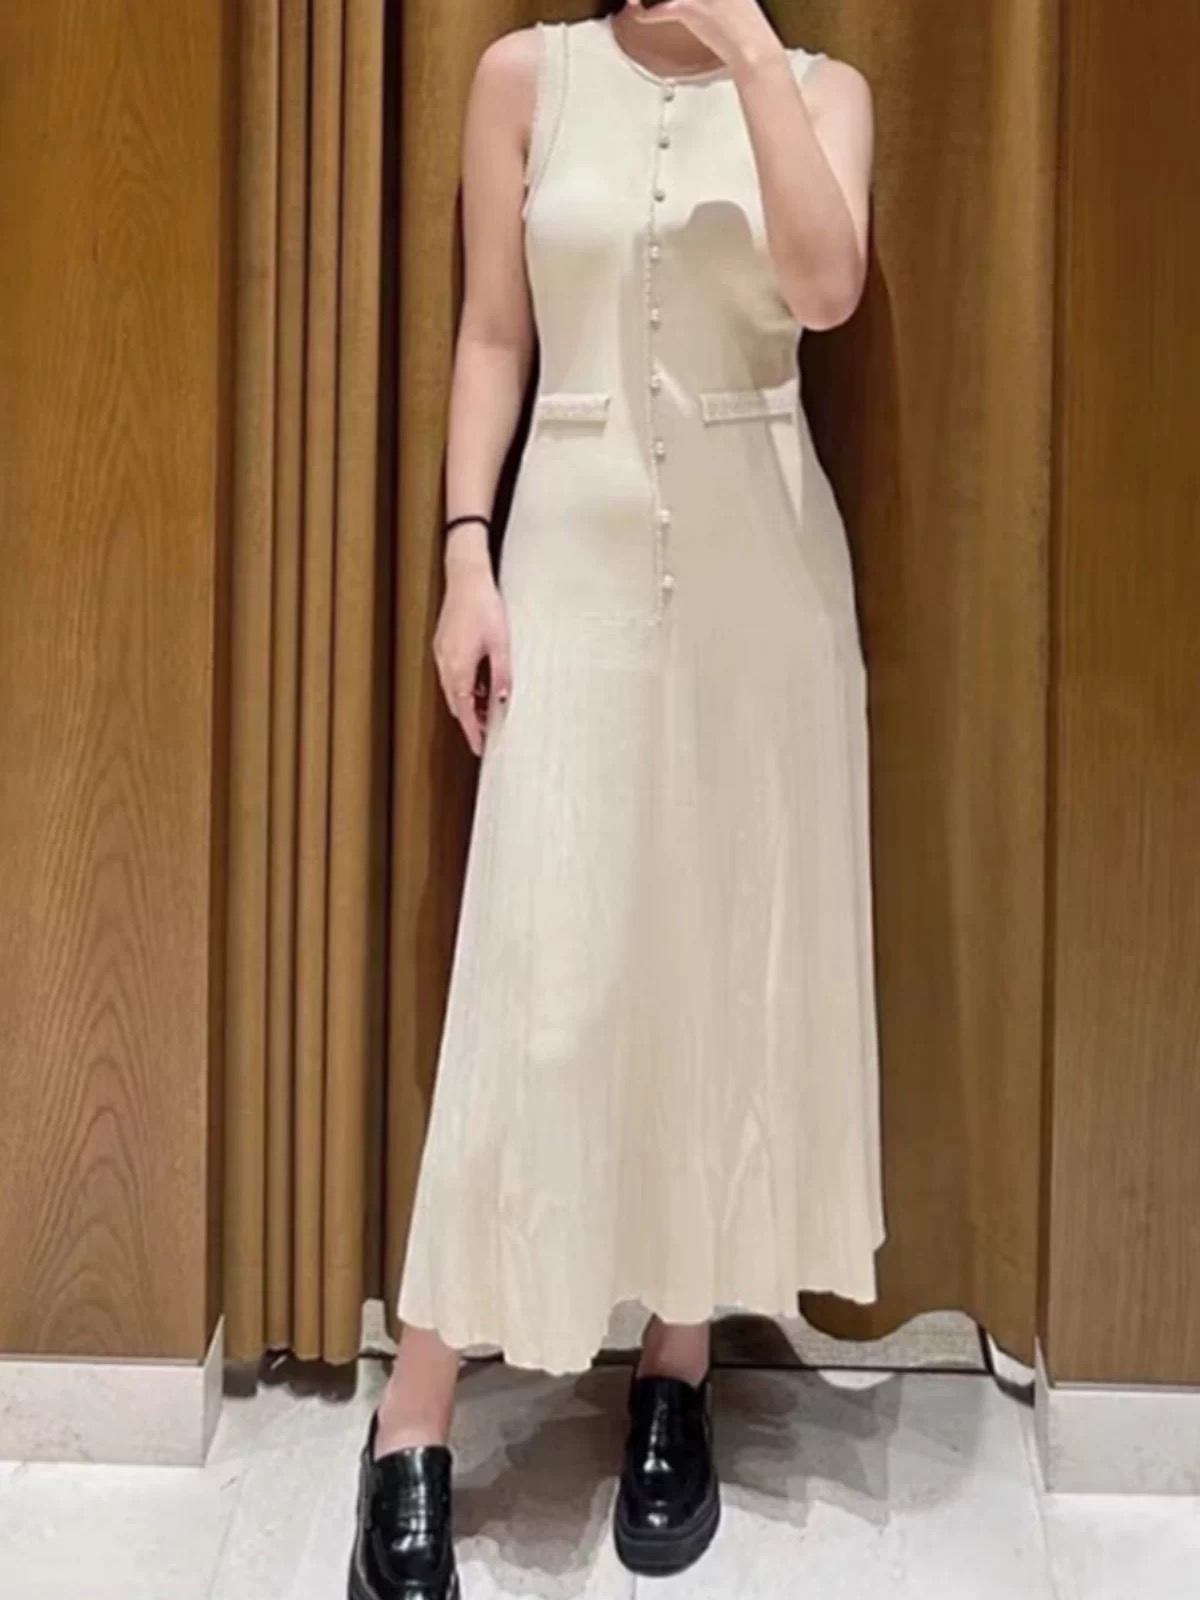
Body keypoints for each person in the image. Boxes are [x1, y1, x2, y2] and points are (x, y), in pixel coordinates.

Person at [349, 3, 881, 1596]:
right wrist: (465, 555)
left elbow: (824, 289)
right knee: (543, 976)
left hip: (764, 587)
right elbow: (493, 334)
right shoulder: (525, 77)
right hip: (566, 558)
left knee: (721, 958)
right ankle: (415, 1409)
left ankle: (674, 1368)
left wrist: (749, 54)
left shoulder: (825, 92)